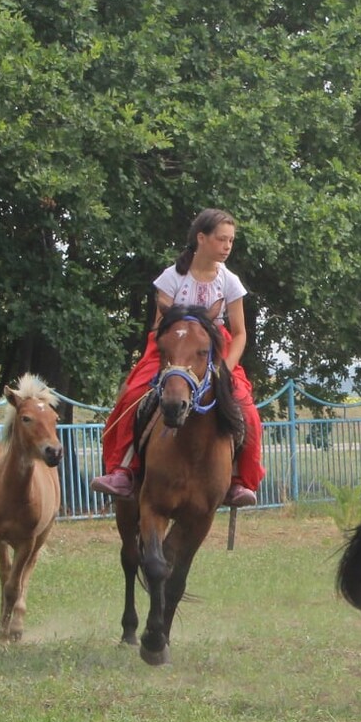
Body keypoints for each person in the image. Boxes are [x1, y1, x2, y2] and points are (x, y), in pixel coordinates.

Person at [91, 208, 264, 508]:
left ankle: (240, 481)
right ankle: (123, 470)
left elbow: (239, 334)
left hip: (215, 350)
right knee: (133, 395)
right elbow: (159, 327)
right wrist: (174, 358)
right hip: (171, 348)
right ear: (201, 238)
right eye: (221, 239)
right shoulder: (171, 278)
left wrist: (224, 367)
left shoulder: (230, 281)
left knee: (247, 409)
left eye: (231, 241)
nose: (227, 246)